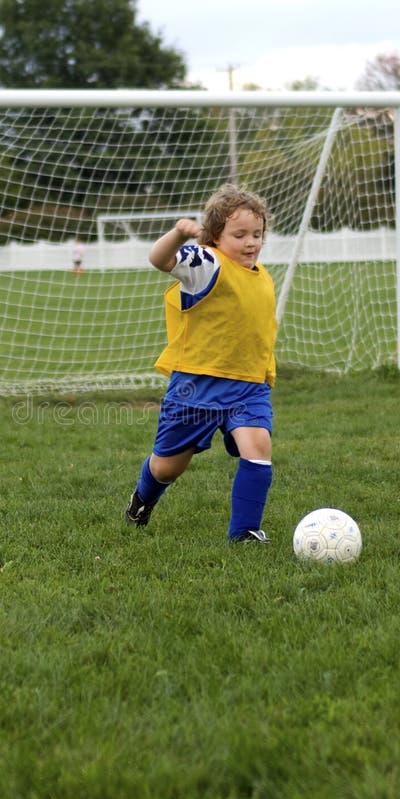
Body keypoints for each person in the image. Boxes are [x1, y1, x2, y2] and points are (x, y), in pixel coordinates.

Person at [124, 184, 277, 543]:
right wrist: (178, 234)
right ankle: (143, 498)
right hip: (196, 389)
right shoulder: (206, 264)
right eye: (239, 235)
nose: (250, 242)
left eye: (257, 234)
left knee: (258, 448)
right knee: (167, 466)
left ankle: (244, 534)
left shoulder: (261, 273)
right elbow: (159, 260)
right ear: (215, 236)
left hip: (247, 387)